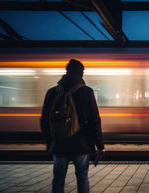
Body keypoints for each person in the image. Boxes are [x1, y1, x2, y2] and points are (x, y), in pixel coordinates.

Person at [40, 59, 105, 193]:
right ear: (81, 73)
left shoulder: (52, 92)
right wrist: (100, 145)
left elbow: (45, 120)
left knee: (58, 177)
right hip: (82, 144)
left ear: (66, 71)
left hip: (59, 143)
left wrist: (49, 141)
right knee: (82, 177)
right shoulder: (86, 92)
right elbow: (95, 120)